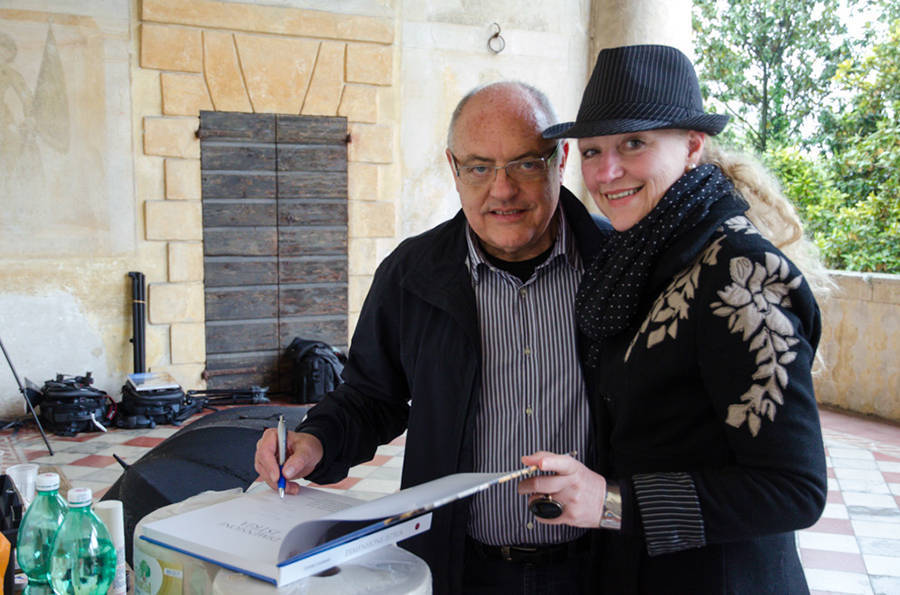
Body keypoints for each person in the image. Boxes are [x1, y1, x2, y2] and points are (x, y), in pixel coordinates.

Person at [255, 81, 611, 594]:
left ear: (561, 160)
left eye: (525, 163)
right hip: (456, 569)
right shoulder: (411, 274)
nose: (503, 190)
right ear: (454, 168)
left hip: (600, 569)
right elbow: (369, 397)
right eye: (479, 167)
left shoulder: (618, 265)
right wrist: (315, 441)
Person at [517, 44, 829, 594]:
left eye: (633, 143)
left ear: (692, 145)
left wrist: (610, 502)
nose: (606, 172)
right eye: (591, 151)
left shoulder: (740, 271)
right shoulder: (637, 255)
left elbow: (794, 488)